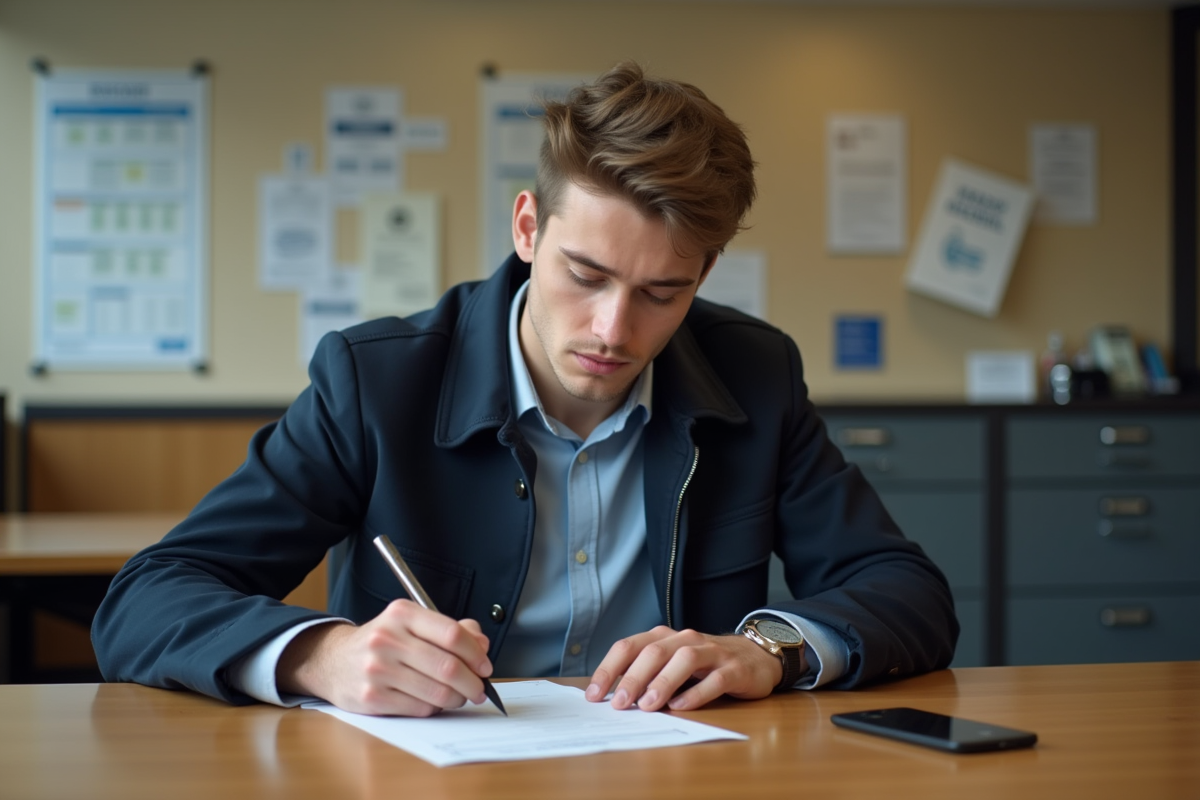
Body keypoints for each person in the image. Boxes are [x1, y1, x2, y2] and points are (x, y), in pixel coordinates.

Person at [93, 62, 957, 717]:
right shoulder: (377, 380)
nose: (615, 331)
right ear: (527, 229)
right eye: (586, 274)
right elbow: (148, 598)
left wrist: (769, 649)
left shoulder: (755, 375)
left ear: (705, 273)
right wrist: (319, 654)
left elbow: (906, 591)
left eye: (663, 293)